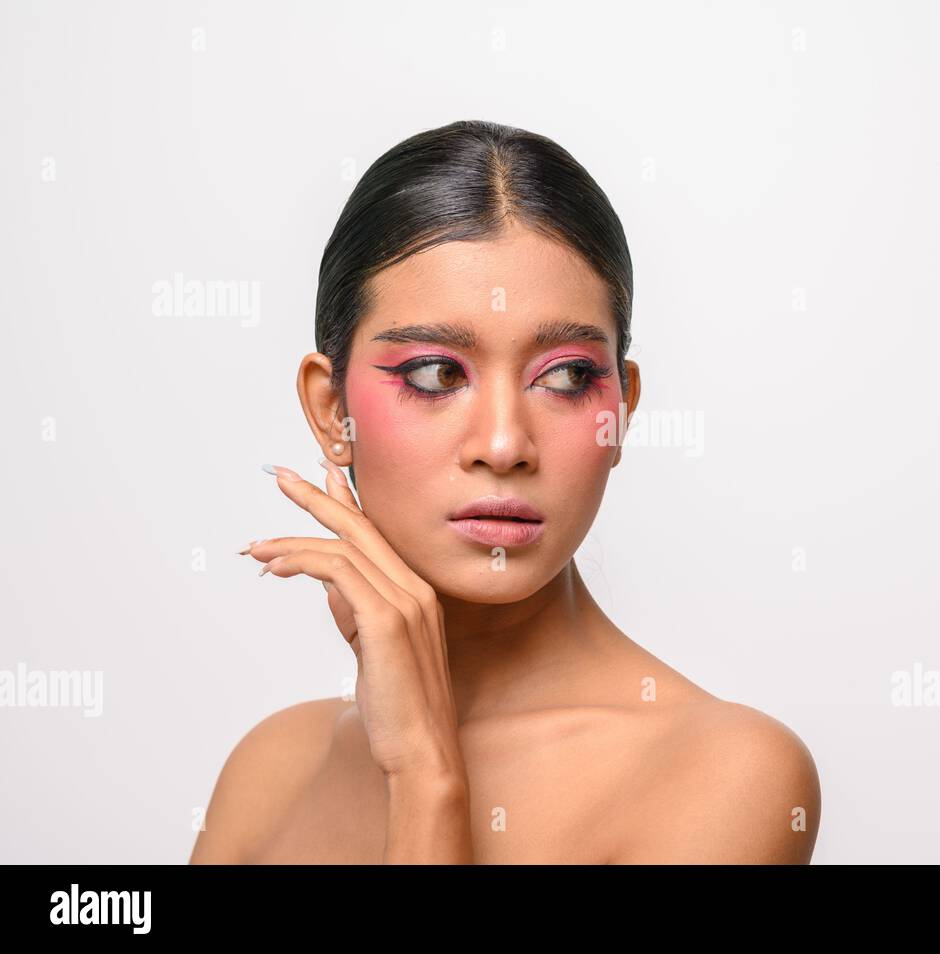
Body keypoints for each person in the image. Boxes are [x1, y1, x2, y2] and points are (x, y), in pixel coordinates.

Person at [189, 120, 821, 864]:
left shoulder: (727, 775)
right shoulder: (271, 768)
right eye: (434, 374)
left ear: (621, 412)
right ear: (333, 412)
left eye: (566, 377)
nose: (503, 445)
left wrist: (426, 780)